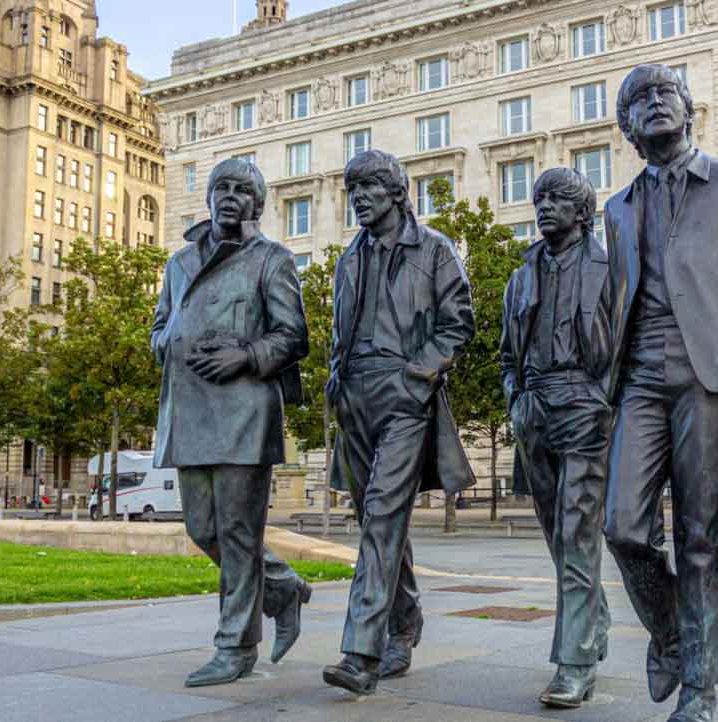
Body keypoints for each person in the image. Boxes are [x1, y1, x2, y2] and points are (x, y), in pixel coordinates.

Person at [600, 64, 718, 722]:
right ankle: (674, 635)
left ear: (688, 110)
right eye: (639, 101)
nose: (654, 105)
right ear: (626, 126)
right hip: (640, 381)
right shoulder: (615, 209)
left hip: (712, 377)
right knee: (622, 527)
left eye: (664, 94)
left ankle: (699, 689)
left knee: (702, 539)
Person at [151, 157, 313, 688]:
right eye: (222, 187)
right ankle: (283, 586)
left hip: (245, 410)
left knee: (240, 533)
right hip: (190, 408)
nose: (230, 196)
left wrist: (245, 353)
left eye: (243, 191)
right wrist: (168, 345)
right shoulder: (178, 263)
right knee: (203, 528)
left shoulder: (272, 260)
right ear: (209, 197)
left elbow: (293, 336)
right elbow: (160, 325)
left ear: (258, 205)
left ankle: (236, 646)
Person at [323, 149, 475, 695]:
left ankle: (360, 652)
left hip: (405, 394)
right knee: (375, 520)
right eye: (352, 188)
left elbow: (460, 322)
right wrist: (335, 383)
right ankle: (404, 624)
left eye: (368, 186)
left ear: (396, 192)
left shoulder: (433, 250)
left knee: (385, 514)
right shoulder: (348, 259)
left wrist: (420, 375)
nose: (358, 196)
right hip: (355, 399)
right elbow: (339, 333)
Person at [499, 167, 613, 709]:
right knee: (558, 538)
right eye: (540, 198)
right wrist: (514, 398)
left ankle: (575, 663)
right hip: (534, 410)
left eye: (559, 198)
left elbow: (628, 343)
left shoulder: (610, 267)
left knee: (577, 533)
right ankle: (593, 622)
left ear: (583, 212)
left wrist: (603, 398)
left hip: (586, 407)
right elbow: (506, 354)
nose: (544, 206)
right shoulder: (520, 276)